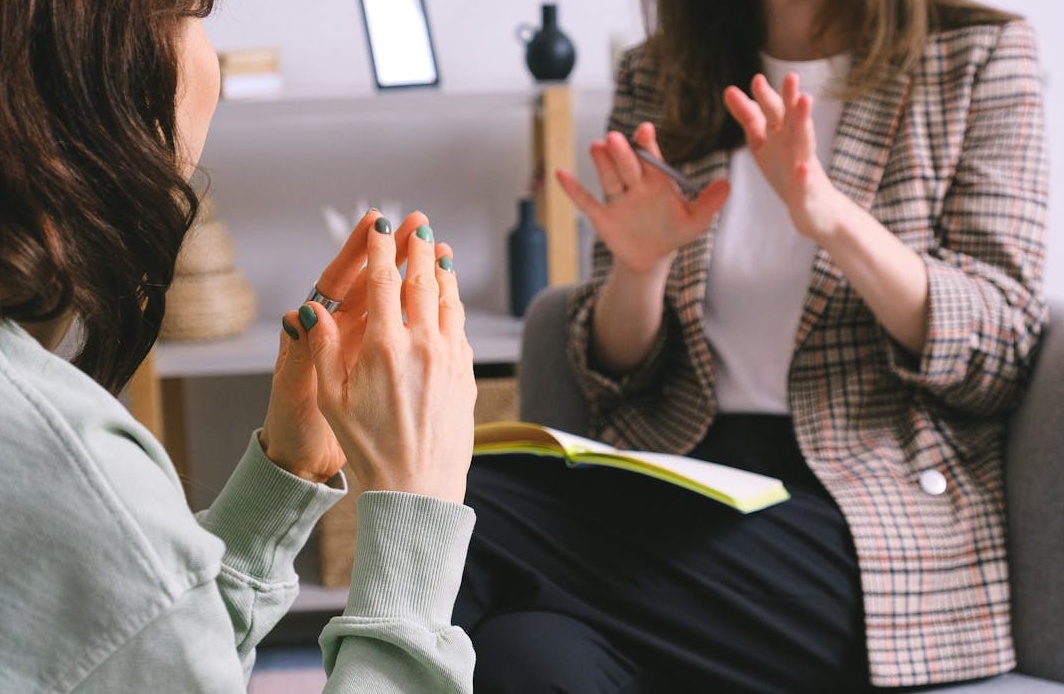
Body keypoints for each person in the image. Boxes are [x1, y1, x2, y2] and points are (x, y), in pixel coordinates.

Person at [453, 0, 1048, 691]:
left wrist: (832, 220)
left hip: (869, 525)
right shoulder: (662, 71)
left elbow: (1002, 349)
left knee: (464, 507)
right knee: (523, 656)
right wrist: (641, 268)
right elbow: (613, 375)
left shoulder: (975, 56)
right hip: (673, 488)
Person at [0, 1, 477, 692]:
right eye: (195, 13)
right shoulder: (78, 476)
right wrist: (417, 509)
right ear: (78, 60)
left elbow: (135, 655)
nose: (211, 59)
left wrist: (285, 472)